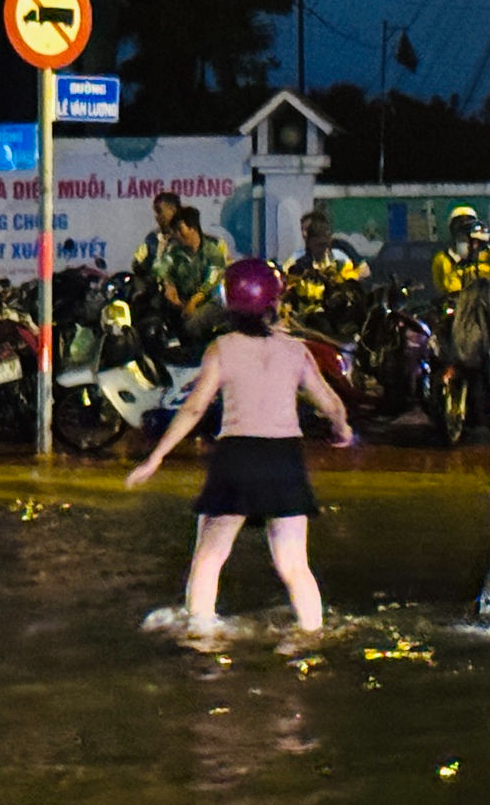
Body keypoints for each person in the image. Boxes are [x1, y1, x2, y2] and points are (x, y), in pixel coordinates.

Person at [127, 258, 353, 642]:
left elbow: (195, 408)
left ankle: (201, 639)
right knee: (294, 564)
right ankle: (311, 639)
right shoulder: (296, 351)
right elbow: (330, 403)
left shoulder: (222, 348)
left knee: (210, 556)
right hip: (285, 460)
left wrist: (157, 457)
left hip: (237, 458)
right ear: (274, 303)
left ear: (228, 305)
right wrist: (342, 429)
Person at [154, 206, 230, 335]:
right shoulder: (174, 252)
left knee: (194, 323)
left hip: (208, 303)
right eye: (176, 231)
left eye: (180, 230)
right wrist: (167, 285)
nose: (177, 235)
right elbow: (161, 270)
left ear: (193, 228)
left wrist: (193, 302)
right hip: (180, 305)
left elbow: (211, 282)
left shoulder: (213, 251)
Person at [432, 211, 490, 298]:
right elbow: (453, 291)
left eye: (463, 241)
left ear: (475, 243)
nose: (460, 244)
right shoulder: (458, 266)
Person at [132, 191, 183, 275]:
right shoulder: (151, 239)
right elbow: (137, 263)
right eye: (155, 212)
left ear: (173, 211)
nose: (156, 216)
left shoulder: (185, 238)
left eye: (159, 211)